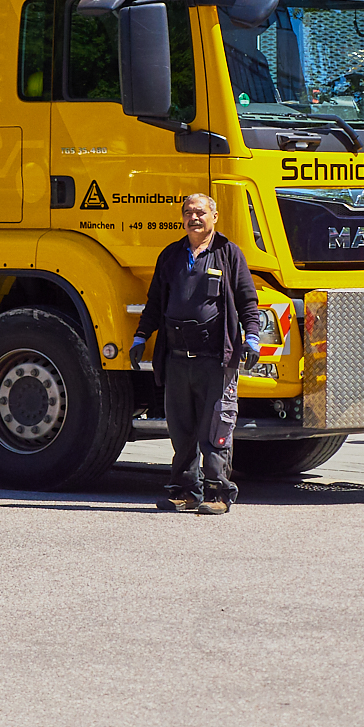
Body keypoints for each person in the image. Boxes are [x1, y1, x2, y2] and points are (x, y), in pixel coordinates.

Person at [131, 194, 261, 516]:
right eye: (188, 212)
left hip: (214, 360)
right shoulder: (171, 256)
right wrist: (140, 337)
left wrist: (253, 338)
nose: (194, 218)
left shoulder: (228, 254)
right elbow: (155, 303)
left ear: (214, 216)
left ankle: (218, 493)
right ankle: (185, 492)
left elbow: (247, 300)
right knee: (181, 429)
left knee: (215, 429)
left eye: (200, 212)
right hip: (176, 359)